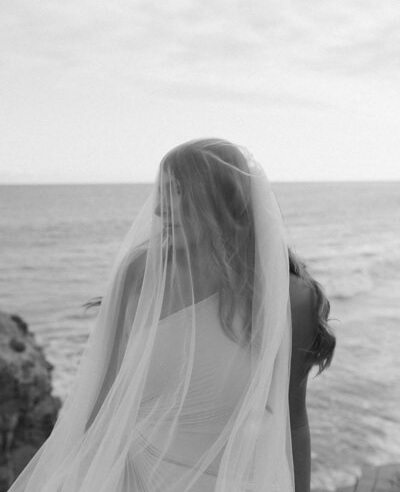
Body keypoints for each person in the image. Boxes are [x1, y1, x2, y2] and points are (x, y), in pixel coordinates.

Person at [8, 138, 335, 492]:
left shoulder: (289, 297)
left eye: (176, 192)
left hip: (234, 481)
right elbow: (104, 396)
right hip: (133, 476)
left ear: (222, 199)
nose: (159, 211)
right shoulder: (140, 273)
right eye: (160, 193)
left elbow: (293, 417)